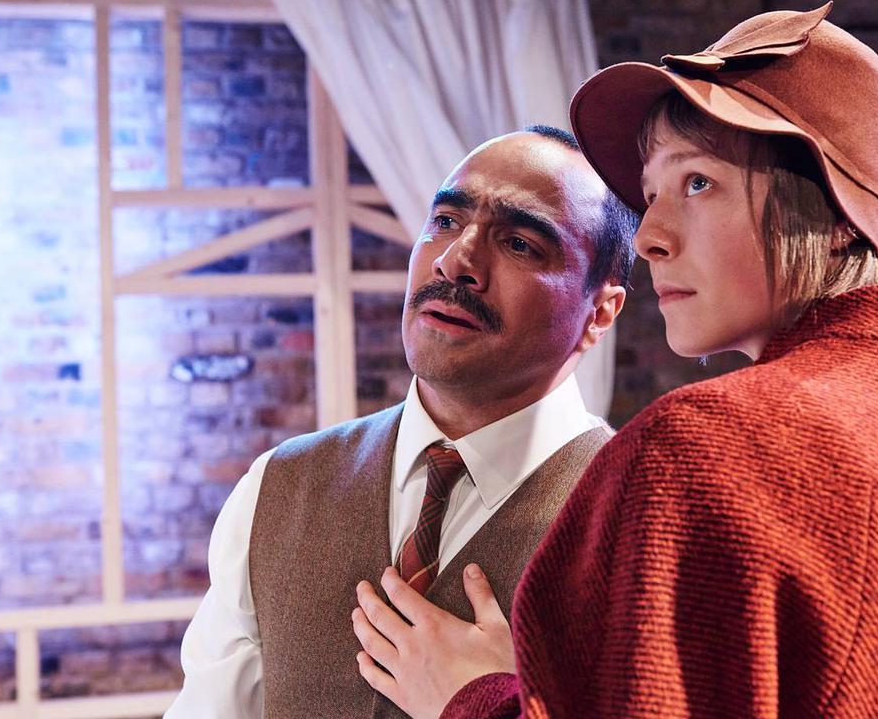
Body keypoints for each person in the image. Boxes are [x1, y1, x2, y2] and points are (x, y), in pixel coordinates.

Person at [350, 4, 878, 718]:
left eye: (697, 182)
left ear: (835, 218)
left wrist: (477, 701)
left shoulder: (705, 446)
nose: (649, 237)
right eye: (650, 195)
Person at [165, 125, 639, 718]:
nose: (455, 261)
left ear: (600, 313)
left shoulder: (643, 519)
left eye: (519, 243)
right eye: (445, 221)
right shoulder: (277, 486)